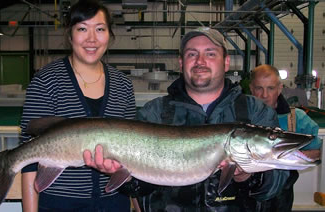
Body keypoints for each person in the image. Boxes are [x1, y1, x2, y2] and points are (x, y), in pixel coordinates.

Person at [84, 27, 290, 211]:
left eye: (210, 54)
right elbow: (140, 188)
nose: (200, 61)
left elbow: (276, 185)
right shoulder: (154, 113)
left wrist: (248, 176)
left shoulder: (256, 112)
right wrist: (123, 175)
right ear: (181, 63)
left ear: (226, 62)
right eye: (192, 54)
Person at [20, 0, 136, 211]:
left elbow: (133, 156)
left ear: (109, 34)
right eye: (82, 29)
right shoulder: (46, 81)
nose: (91, 39)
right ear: (70, 34)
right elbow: (27, 159)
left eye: (100, 29)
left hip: (114, 203)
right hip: (60, 204)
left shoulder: (123, 86)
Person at [249, 64, 322, 212]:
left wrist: (285, 158)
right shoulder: (239, 116)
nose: (264, 95)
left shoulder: (296, 119)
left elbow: (316, 151)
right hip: (245, 194)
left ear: (280, 88)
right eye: (259, 88)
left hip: (281, 197)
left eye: (270, 88)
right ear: (251, 88)